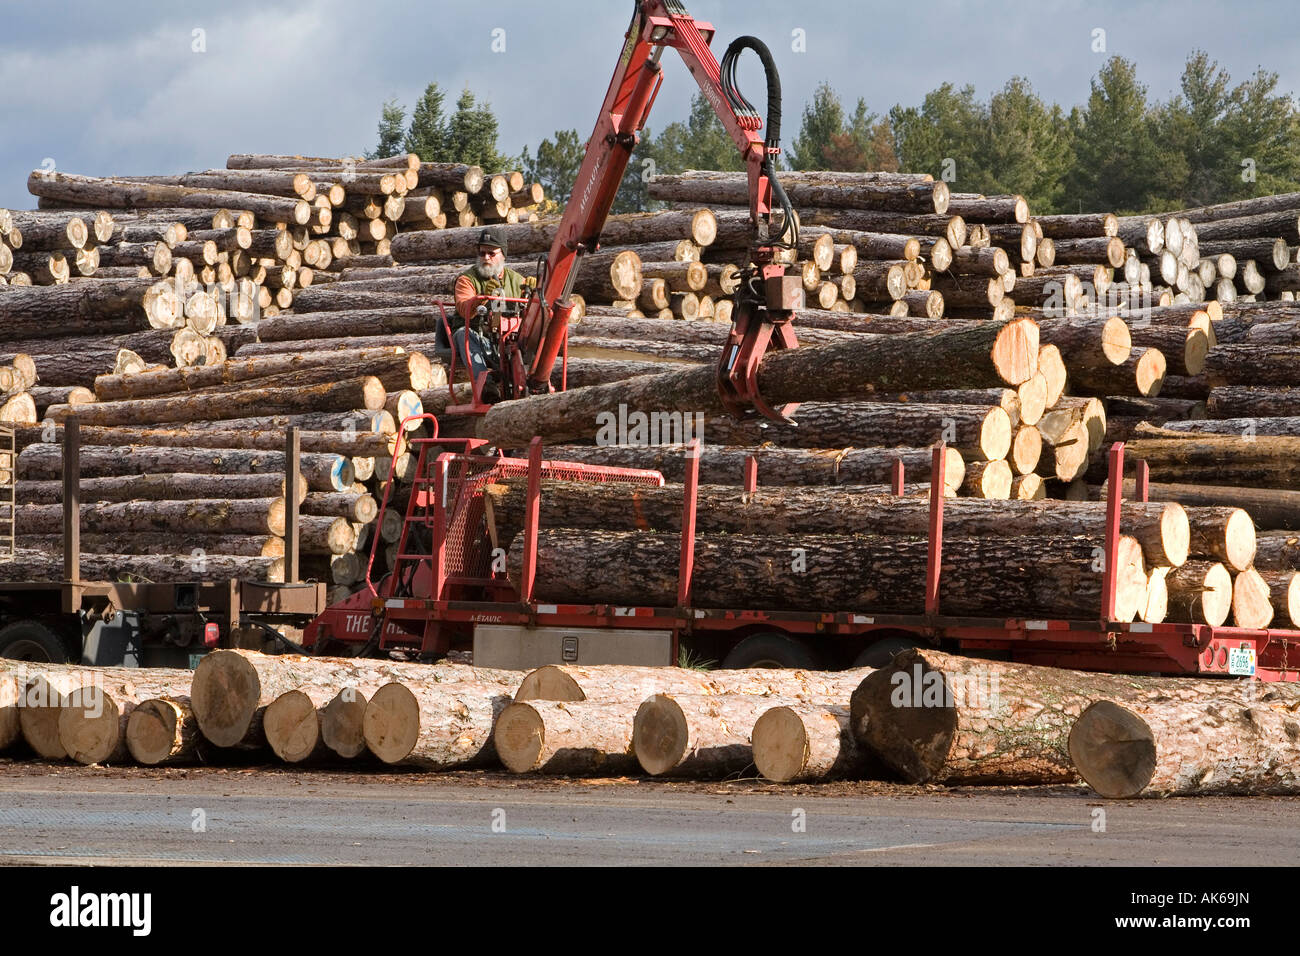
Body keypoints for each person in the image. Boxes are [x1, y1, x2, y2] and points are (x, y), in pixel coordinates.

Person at [450, 226, 526, 400]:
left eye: (491, 254)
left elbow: (534, 311)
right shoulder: (467, 279)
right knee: (463, 334)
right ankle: (486, 387)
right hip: (479, 337)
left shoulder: (517, 281)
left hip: (508, 340)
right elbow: (464, 308)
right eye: (482, 253)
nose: (486, 258)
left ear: (503, 254)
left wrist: (533, 291)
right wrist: (481, 299)